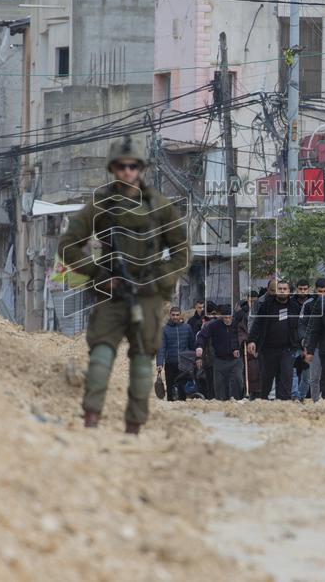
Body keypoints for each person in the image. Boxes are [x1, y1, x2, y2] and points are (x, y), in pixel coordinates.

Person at [57, 136, 188, 434]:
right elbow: (68, 245)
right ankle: (91, 419)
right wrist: (99, 274)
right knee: (101, 355)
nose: (127, 171)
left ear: (140, 168)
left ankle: (134, 428)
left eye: (133, 166)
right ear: (113, 168)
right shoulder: (101, 205)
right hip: (113, 293)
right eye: (121, 166)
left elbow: (182, 252)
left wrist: (160, 280)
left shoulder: (159, 206)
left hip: (147, 295)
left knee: (142, 362)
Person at [247, 279, 302, 401]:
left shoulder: (294, 306)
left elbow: (300, 325)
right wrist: (252, 340)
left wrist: (303, 343)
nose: (282, 291)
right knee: (266, 380)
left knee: (286, 378)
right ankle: (264, 402)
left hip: (287, 349)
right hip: (268, 349)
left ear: (289, 291)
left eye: (284, 289)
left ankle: (283, 404)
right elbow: (257, 324)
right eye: (280, 289)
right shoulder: (266, 305)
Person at [196, 304, 245, 400]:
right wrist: (199, 347)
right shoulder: (214, 325)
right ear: (221, 317)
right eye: (225, 318)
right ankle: (221, 404)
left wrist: (238, 348)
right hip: (219, 360)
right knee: (219, 388)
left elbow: (242, 337)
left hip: (235, 360)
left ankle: (237, 402)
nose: (228, 320)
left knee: (237, 381)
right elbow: (202, 336)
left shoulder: (237, 324)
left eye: (229, 317)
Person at [297, 277, 325, 402]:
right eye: (320, 291)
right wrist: (304, 340)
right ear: (315, 290)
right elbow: (302, 324)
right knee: (313, 376)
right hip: (314, 345)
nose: (322, 294)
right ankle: (315, 401)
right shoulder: (309, 304)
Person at [156, 306, 196, 401]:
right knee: (170, 387)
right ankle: (171, 405)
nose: (175, 317)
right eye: (173, 315)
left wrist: (195, 360)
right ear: (170, 315)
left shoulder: (187, 328)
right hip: (170, 362)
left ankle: (182, 406)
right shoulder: (164, 329)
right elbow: (161, 348)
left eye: (177, 315)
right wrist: (159, 363)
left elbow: (192, 345)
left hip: (184, 364)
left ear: (180, 315)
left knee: (182, 389)